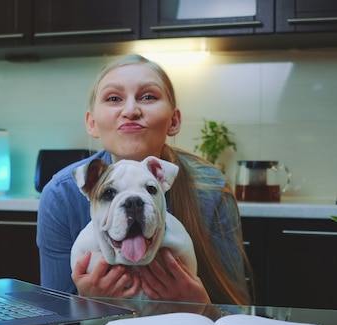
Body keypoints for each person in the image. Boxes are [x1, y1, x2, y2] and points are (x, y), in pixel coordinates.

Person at [36, 54, 251, 305]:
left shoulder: (211, 191)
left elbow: (238, 316)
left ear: (174, 120)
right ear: (92, 123)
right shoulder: (62, 195)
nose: (130, 110)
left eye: (148, 96)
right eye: (114, 98)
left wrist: (201, 309)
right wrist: (88, 307)